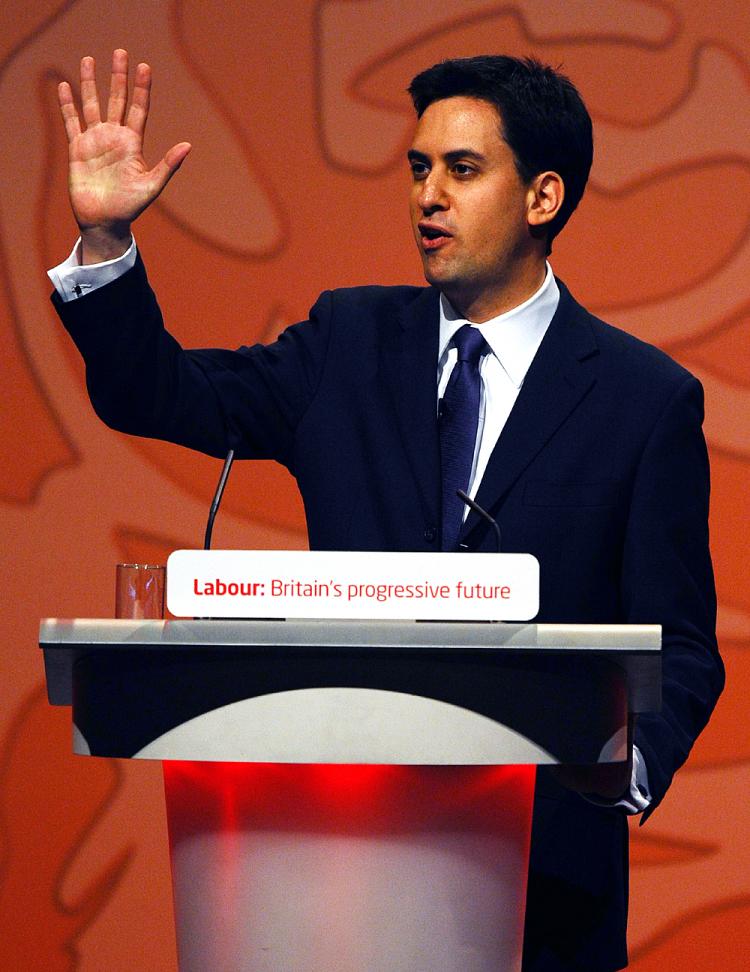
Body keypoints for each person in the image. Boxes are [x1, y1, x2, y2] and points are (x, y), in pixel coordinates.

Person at [50, 50, 723, 971]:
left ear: (543, 197)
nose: (427, 197)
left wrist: (617, 768)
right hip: (332, 874)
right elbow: (159, 394)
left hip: (545, 893)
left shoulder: (644, 402)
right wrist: (104, 246)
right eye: (418, 169)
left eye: (462, 169)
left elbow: (683, 645)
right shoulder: (347, 343)